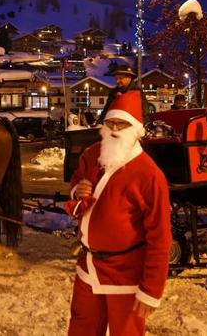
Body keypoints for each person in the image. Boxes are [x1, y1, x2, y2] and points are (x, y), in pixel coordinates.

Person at [67, 90, 172, 335]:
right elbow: (77, 179)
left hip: (127, 274)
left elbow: (160, 237)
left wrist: (150, 291)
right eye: (110, 122)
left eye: (122, 124)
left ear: (135, 129)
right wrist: (76, 190)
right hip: (89, 266)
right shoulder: (93, 154)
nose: (114, 128)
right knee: (81, 328)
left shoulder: (150, 175)